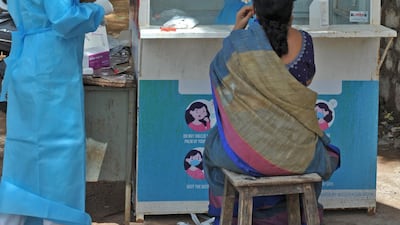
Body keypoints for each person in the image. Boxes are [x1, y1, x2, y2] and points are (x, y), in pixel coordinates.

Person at [203, 1, 341, 225]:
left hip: (244, 154)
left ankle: (238, 217)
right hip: (297, 153)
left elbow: (218, 69)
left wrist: (236, 31)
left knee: (212, 146)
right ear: (291, 11)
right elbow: (305, 82)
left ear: (254, 11)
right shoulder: (305, 42)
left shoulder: (238, 45)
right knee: (324, 153)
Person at [0, 0, 113, 225]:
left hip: (28, 62)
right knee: (61, 156)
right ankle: (59, 219)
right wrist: (99, 10)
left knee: (23, 159)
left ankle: (13, 217)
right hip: (52, 70)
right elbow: (64, 18)